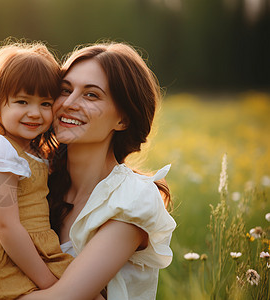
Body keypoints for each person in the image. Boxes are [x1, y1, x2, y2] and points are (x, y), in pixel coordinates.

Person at [19, 42, 176, 300]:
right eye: (65, 90)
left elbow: (63, 298)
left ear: (123, 119)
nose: (69, 103)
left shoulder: (132, 199)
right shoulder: (36, 180)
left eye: (91, 95)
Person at [0, 40, 73, 300]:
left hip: (34, 253)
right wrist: (48, 283)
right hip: (7, 263)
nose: (35, 113)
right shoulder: (0, 153)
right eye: (22, 101)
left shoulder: (35, 154)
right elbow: (6, 226)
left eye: (45, 103)